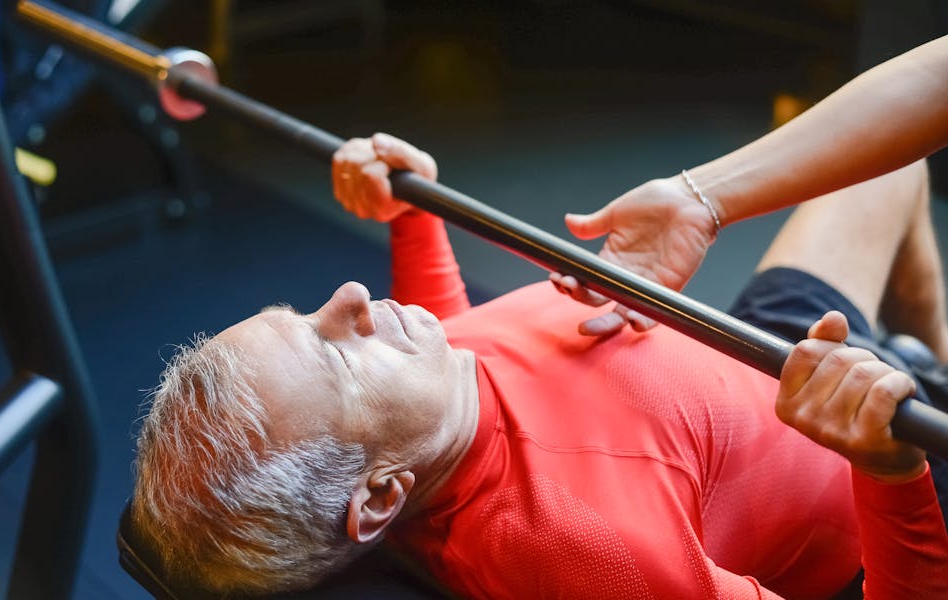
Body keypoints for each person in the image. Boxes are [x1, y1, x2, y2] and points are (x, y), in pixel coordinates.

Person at [132, 133, 948, 598]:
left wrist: (411, 213)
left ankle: (928, 364)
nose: (349, 296)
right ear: (381, 496)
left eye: (306, 315)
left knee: (891, 165)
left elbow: (462, 338)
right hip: (856, 466)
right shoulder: (595, 552)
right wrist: (891, 467)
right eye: (338, 355)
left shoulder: (429, 410)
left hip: (756, 352)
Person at [549, 34, 948, 344]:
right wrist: (698, 199)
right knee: (894, 173)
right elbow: (934, 79)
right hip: (796, 375)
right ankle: (940, 369)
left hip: (870, 430)